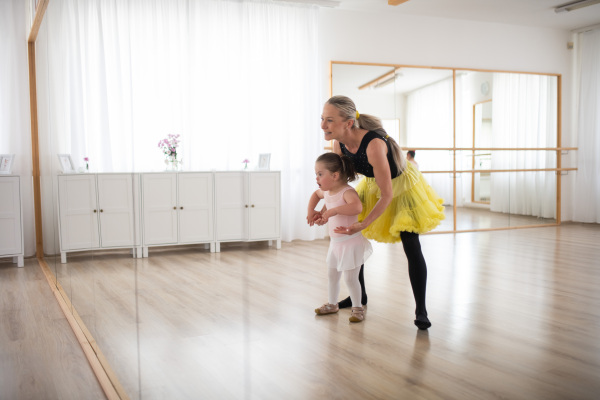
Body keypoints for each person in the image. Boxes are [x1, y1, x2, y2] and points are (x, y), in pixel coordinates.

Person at [317, 95, 445, 330]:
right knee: (353, 238)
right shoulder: (339, 144)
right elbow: (338, 184)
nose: (323, 125)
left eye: (329, 120)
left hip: (401, 188)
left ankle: (421, 310)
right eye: (322, 119)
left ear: (348, 123)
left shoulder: (374, 144)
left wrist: (363, 223)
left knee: (411, 245)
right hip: (374, 185)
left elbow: (387, 195)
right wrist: (324, 208)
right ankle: (360, 297)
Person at [307, 152, 373, 323]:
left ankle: (357, 307)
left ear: (335, 175)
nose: (317, 178)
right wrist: (313, 213)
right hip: (335, 243)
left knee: (351, 278)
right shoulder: (326, 192)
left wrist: (333, 211)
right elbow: (315, 195)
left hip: (351, 242)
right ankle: (332, 304)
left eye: (320, 174)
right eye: (316, 174)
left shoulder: (347, 191)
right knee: (332, 275)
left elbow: (357, 207)